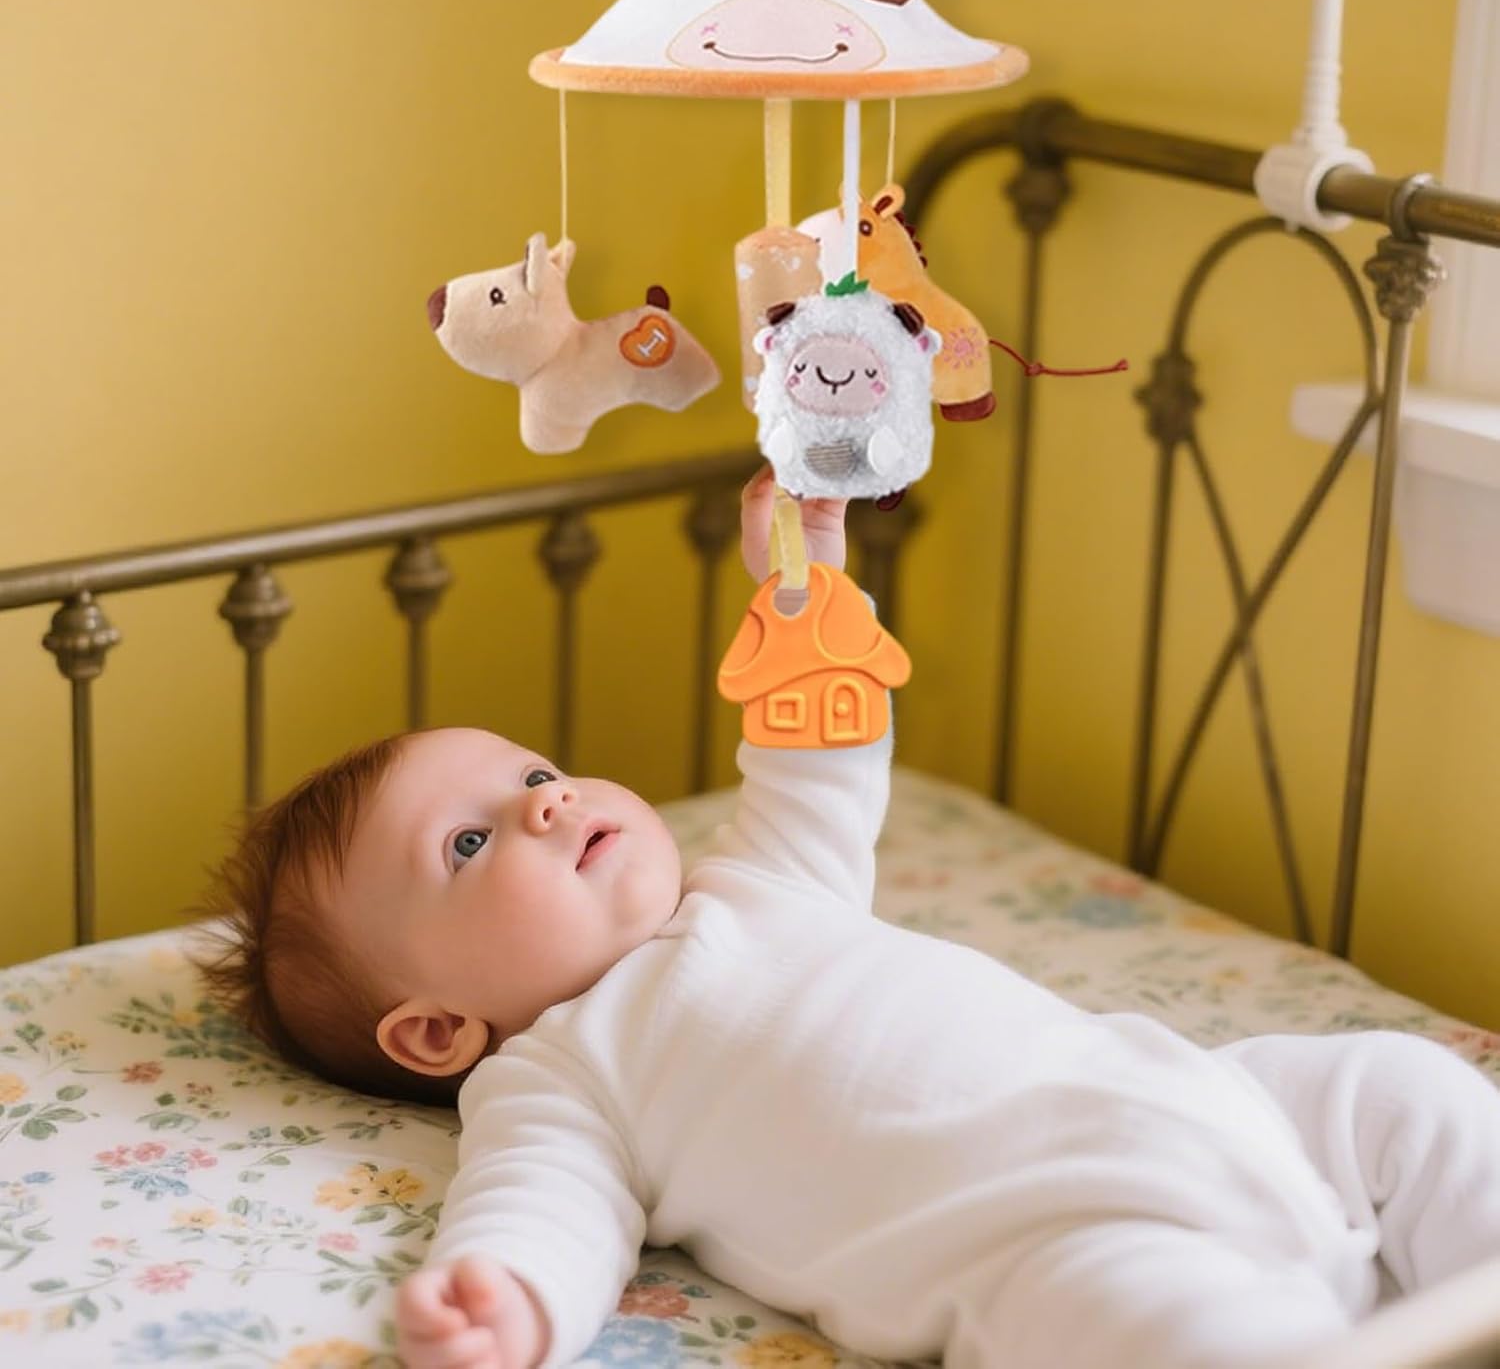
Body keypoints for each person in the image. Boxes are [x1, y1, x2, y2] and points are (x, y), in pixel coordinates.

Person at [197, 467, 1500, 1369]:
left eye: (534, 772)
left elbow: (816, 760)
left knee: (1399, 1091)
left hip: (1203, 1098)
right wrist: (508, 1305)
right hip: (1053, 1244)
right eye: (471, 843)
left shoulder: (759, 878)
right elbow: (544, 1211)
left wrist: (804, 598)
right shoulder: (559, 1079)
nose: (547, 802)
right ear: (435, 1031)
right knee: (1177, 1336)